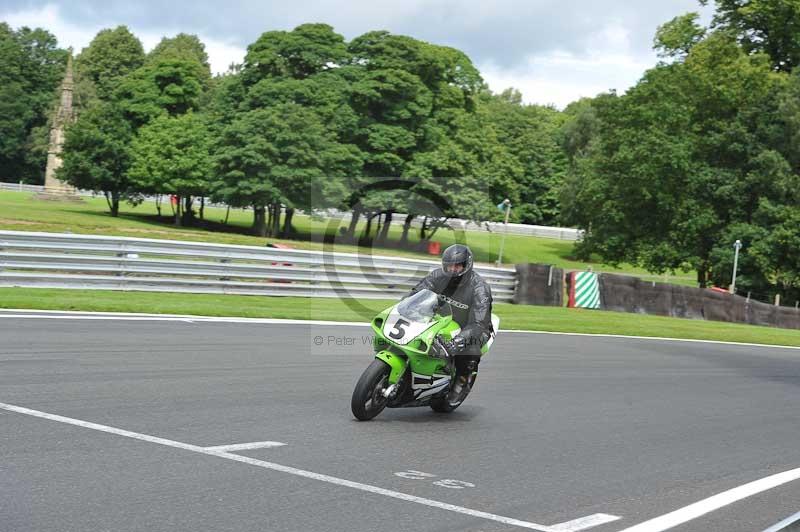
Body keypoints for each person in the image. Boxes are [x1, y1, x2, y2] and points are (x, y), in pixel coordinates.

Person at [406, 244, 493, 400]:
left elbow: (479, 323)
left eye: (457, 266)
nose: (453, 270)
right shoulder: (437, 276)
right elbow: (414, 295)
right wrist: (407, 308)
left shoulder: (479, 288)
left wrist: (459, 340)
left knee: (469, 348)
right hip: (442, 319)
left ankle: (462, 382)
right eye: (449, 266)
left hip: (471, 326)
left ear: (467, 265)